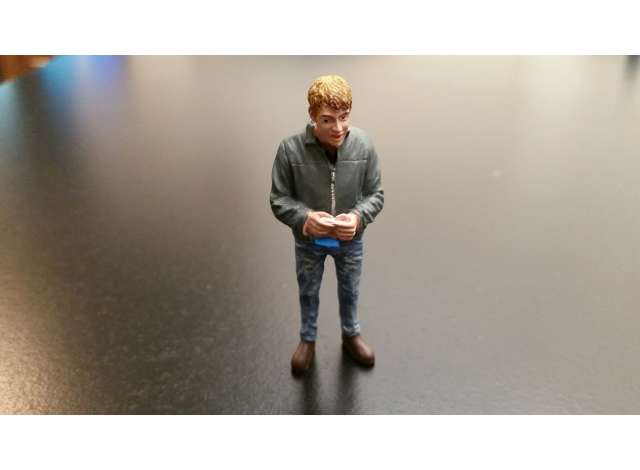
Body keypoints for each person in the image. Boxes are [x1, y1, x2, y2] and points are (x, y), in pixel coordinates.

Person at [270, 74, 384, 375]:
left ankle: (351, 334)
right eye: (327, 120)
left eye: (344, 117)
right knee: (308, 291)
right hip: (309, 242)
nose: (338, 128)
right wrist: (305, 219)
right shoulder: (290, 150)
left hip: (350, 241)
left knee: (350, 290)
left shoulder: (363, 146)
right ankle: (307, 339)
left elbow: (376, 194)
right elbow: (279, 199)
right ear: (312, 116)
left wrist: (357, 218)